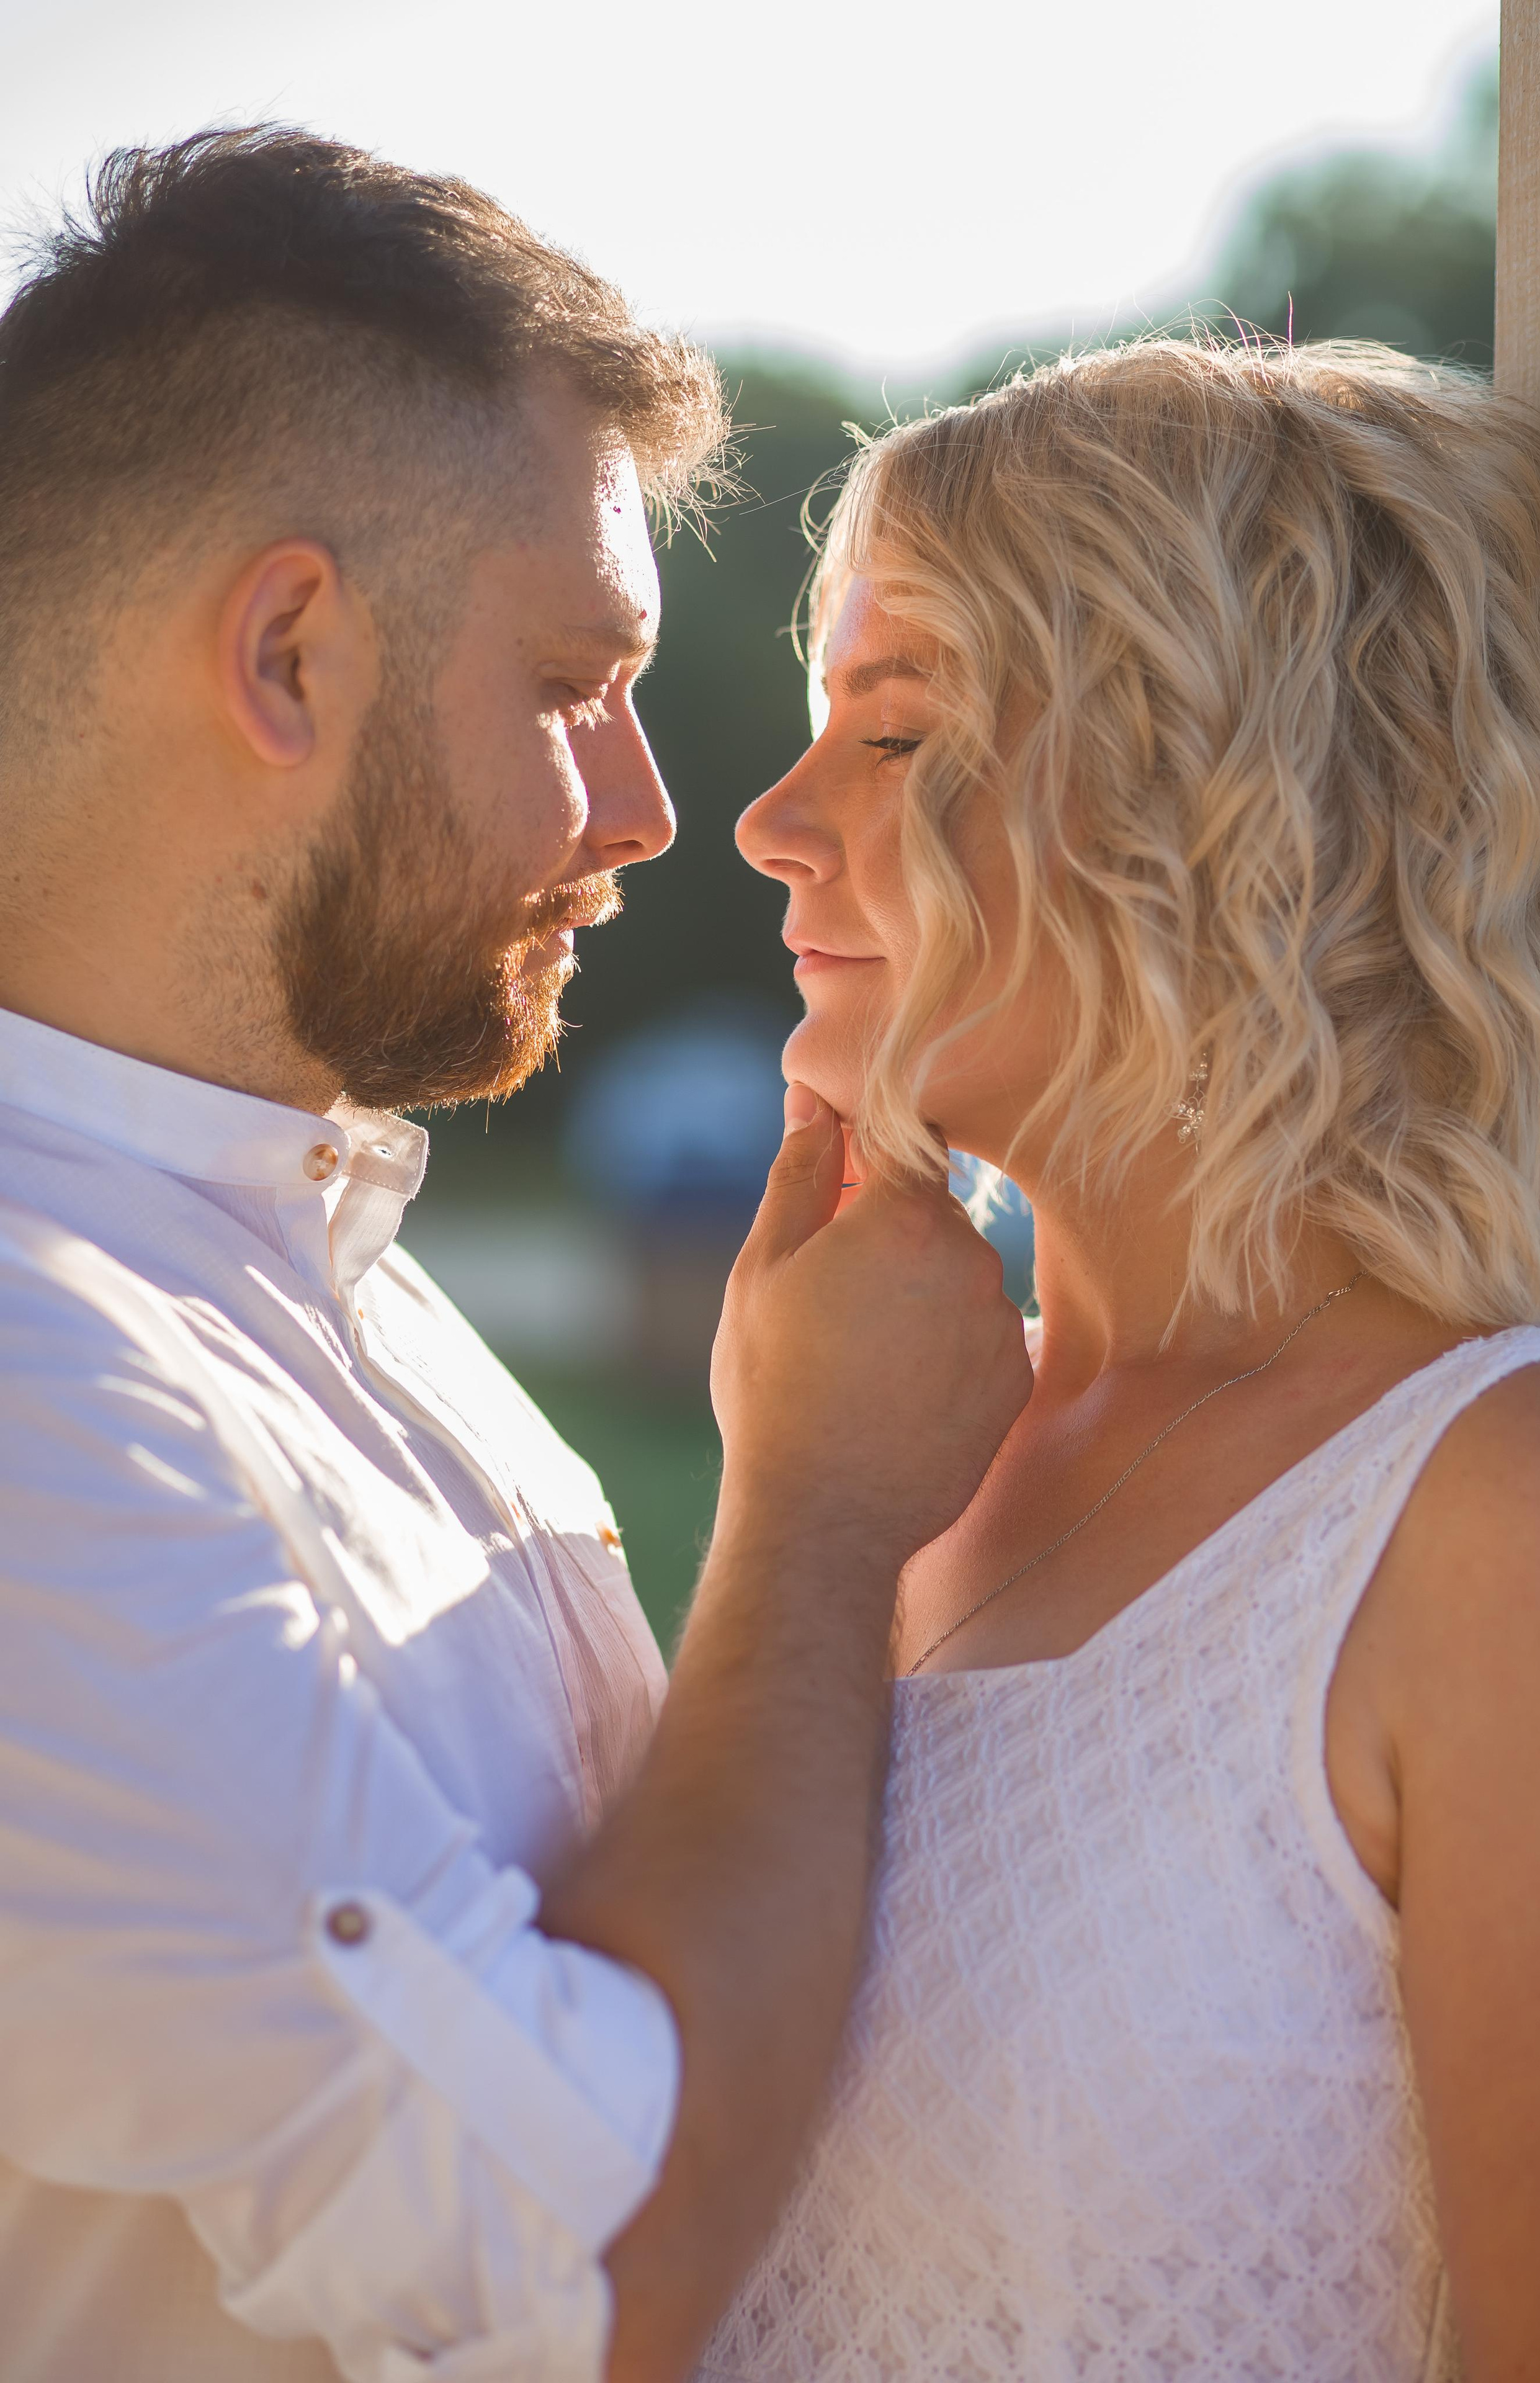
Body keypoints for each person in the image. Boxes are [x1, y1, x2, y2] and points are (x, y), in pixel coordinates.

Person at [0, 129, 1032, 2383]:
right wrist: (820, 1517)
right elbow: (594, 2264)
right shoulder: (29, 1371)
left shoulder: (309, 1249)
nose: (659, 811)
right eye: (579, 683)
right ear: (286, 653)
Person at [707, 339, 1540, 2381]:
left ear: (1236, 792)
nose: (772, 819)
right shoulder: (876, 1455)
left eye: (899, 730)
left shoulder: (1501, 1517)